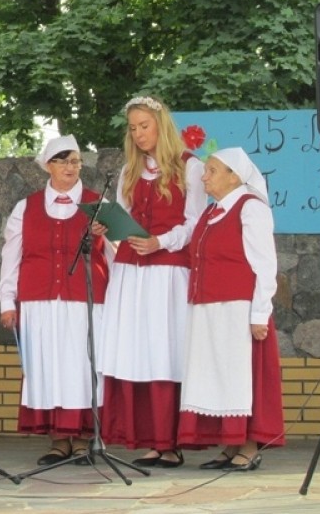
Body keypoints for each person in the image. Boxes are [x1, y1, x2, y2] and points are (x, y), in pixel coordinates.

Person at [96, 96, 205, 467]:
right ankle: (150, 438)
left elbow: (194, 224)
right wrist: (107, 226)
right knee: (137, 351)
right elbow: (122, 221)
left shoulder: (190, 167)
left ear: (161, 125)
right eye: (133, 128)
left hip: (168, 272)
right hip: (131, 272)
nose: (139, 134)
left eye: (144, 125)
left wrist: (161, 241)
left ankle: (171, 441)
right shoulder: (130, 171)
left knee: (165, 350)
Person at [0, 136, 109, 466]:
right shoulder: (26, 207)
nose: (70, 167)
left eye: (75, 161)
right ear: (48, 166)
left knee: (82, 367)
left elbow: (117, 254)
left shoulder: (98, 204)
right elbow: (11, 257)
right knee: (48, 367)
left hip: (85, 300)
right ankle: (58, 440)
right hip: (39, 301)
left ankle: (84, 439)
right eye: (62, 161)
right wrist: (7, 301)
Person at [179, 148, 284, 471]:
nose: (204, 177)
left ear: (234, 177)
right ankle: (230, 444)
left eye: (212, 170)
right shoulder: (212, 212)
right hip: (208, 308)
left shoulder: (251, 208)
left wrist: (259, 314)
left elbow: (265, 265)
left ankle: (248, 448)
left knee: (239, 376)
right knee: (217, 376)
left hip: (237, 309)